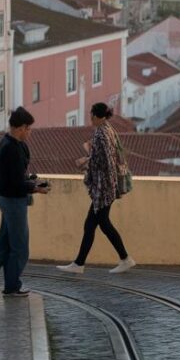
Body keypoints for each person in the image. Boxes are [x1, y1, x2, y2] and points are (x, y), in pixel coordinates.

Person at [0, 107, 50, 296]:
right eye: (29, 128)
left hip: (9, 199)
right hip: (13, 201)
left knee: (3, 244)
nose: (30, 132)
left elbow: (19, 176)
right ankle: (12, 286)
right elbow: (15, 182)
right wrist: (36, 188)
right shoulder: (10, 148)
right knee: (20, 246)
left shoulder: (13, 144)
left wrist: (32, 181)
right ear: (21, 128)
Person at [57, 103, 136, 274]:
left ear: (99, 116)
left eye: (92, 115)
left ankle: (125, 258)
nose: (90, 118)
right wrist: (89, 159)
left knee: (103, 223)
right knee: (91, 224)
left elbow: (106, 161)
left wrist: (87, 163)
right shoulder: (108, 129)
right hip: (106, 186)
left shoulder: (102, 134)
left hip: (104, 187)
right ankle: (79, 264)